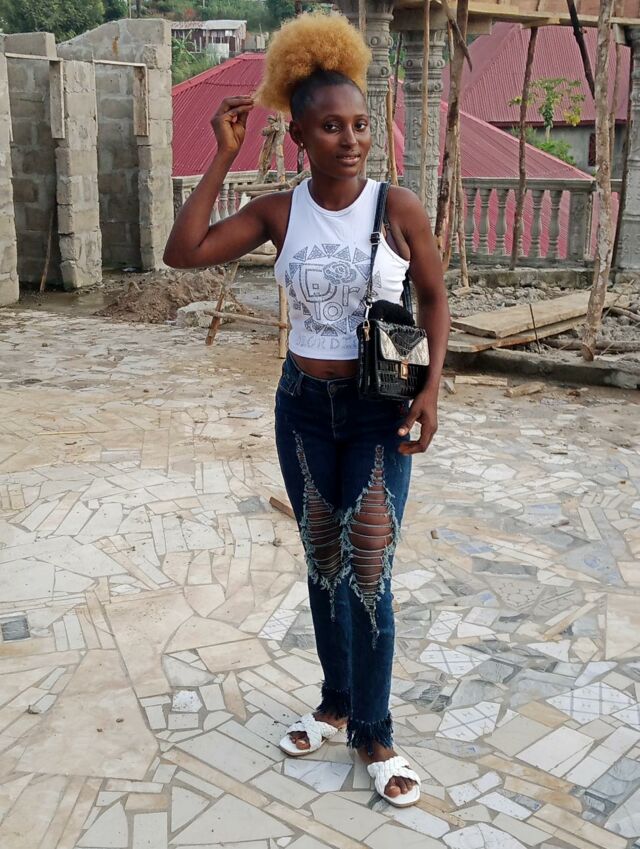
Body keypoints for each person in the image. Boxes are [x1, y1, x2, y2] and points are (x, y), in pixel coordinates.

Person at [164, 11, 450, 808]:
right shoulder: (280, 213)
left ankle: (376, 731)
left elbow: (434, 296)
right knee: (323, 561)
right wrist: (223, 156)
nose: (350, 140)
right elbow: (183, 253)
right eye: (330, 127)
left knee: (369, 564)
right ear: (298, 136)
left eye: (359, 124)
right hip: (303, 406)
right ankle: (335, 701)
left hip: (376, 407)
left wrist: (432, 388)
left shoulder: (398, 206)